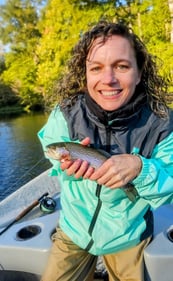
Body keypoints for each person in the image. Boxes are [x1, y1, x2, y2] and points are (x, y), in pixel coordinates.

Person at [38, 20, 173, 281]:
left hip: (128, 235)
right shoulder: (66, 112)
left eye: (121, 66)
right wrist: (65, 168)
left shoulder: (162, 123)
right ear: (85, 73)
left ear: (139, 71)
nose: (108, 79)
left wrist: (140, 168)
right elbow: (51, 149)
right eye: (96, 68)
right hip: (74, 230)